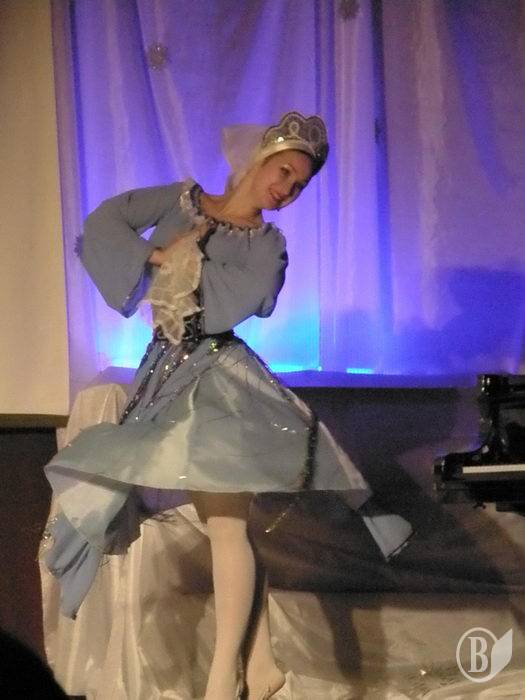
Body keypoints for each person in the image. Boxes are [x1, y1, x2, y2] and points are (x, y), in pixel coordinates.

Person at [41, 111, 412, 700]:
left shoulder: (266, 243)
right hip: (164, 378)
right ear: (259, 159)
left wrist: (180, 261)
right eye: (283, 172)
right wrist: (154, 257)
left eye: (298, 186)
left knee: (225, 525)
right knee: (222, 526)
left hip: (219, 383)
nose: (286, 190)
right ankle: (259, 667)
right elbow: (104, 223)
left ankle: (222, 681)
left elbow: (233, 304)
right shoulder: (181, 200)